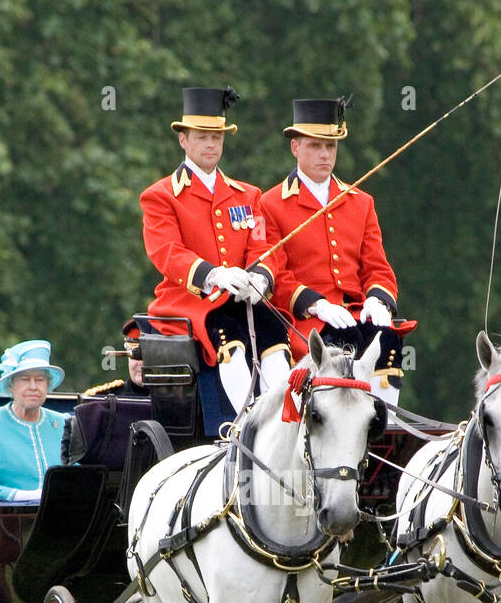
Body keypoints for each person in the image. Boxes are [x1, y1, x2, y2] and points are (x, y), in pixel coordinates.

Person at [138, 87, 291, 428]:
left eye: (217, 137)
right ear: (184, 141)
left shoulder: (247, 194)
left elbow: (262, 246)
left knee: (275, 334)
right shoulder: (161, 195)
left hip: (242, 296)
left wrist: (261, 276)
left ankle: (283, 421)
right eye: (202, 137)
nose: (211, 144)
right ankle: (249, 424)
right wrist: (214, 275)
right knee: (229, 339)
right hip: (190, 300)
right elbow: (167, 253)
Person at [259, 96, 405, 407]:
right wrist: (317, 305)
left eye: (331, 146)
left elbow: (377, 268)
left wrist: (378, 300)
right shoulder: (271, 204)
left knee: (389, 340)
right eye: (315, 146)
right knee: (346, 347)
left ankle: (384, 429)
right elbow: (277, 276)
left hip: (355, 314)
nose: (325, 155)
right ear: (295, 148)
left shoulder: (360, 202)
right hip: (306, 323)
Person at [0, 341, 68, 502]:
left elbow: (78, 477)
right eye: (25, 379)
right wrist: (28, 497)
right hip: (9, 519)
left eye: (40, 379)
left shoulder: (64, 422)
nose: (33, 386)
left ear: (47, 385)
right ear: (10, 385)